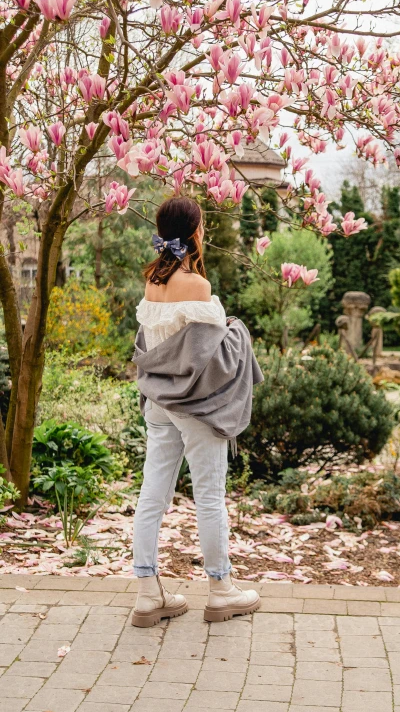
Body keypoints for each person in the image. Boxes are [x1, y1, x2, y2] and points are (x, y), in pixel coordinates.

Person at [131, 196, 262, 627]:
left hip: (158, 404)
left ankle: (148, 593)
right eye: (203, 225)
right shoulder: (198, 287)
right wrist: (236, 331)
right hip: (194, 407)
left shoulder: (152, 280)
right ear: (194, 232)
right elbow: (211, 355)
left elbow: (156, 345)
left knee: (153, 493)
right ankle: (221, 590)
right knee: (209, 495)